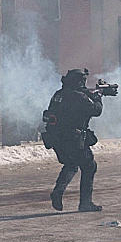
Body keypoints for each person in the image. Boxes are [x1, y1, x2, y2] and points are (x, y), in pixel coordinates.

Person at [41, 68, 105, 212]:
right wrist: (98, 97)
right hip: (72, 138)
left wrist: (92, 92)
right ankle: (85, 203)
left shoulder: (58, 95)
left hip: (56, 138)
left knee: (71, 164)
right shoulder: (78, 97)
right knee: (89, 166)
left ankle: (58, 191)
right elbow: (96, 110)